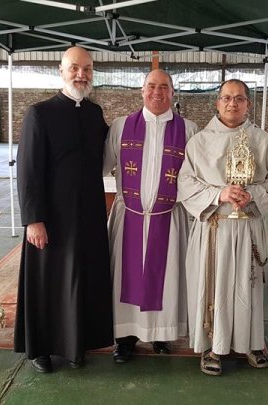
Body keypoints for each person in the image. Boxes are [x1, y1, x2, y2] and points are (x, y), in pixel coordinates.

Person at [178, 79, 268, 376]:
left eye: (239, 98)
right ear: (217, 103)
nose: (232, 103)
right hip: (215, 226)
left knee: (247, 284)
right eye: (226, 98)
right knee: (213, 286)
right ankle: (211, 347)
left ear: (247, 104)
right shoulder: (200, 141)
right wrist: (220, 194)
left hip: (248, 224)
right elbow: (186, 183)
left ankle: (251, 342)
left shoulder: (262, 140)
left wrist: (253, 195)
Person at [15, 46, 113, 373]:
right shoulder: (39, 113)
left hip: (88, 216)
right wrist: (33, 220)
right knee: (49, 283)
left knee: (80, 280)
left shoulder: (94, 113)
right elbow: (28, 171)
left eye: (86, 69)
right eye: (74, 68)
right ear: (61, 70)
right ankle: (41, 349)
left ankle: (77, 345)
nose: (81, 75)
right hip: (51, 218)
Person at [103, 69, 198, 363]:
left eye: (164, 87)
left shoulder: (189, 130)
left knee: (165, 278)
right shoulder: (121, 126)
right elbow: (103, 166)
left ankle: (160, 334)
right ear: (142, 90)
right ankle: (125, 338)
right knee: (123, 280)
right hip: (128, 215)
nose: (158, 93)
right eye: (152, 86)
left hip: (168, 218)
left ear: (173, 92)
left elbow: (197, 174)